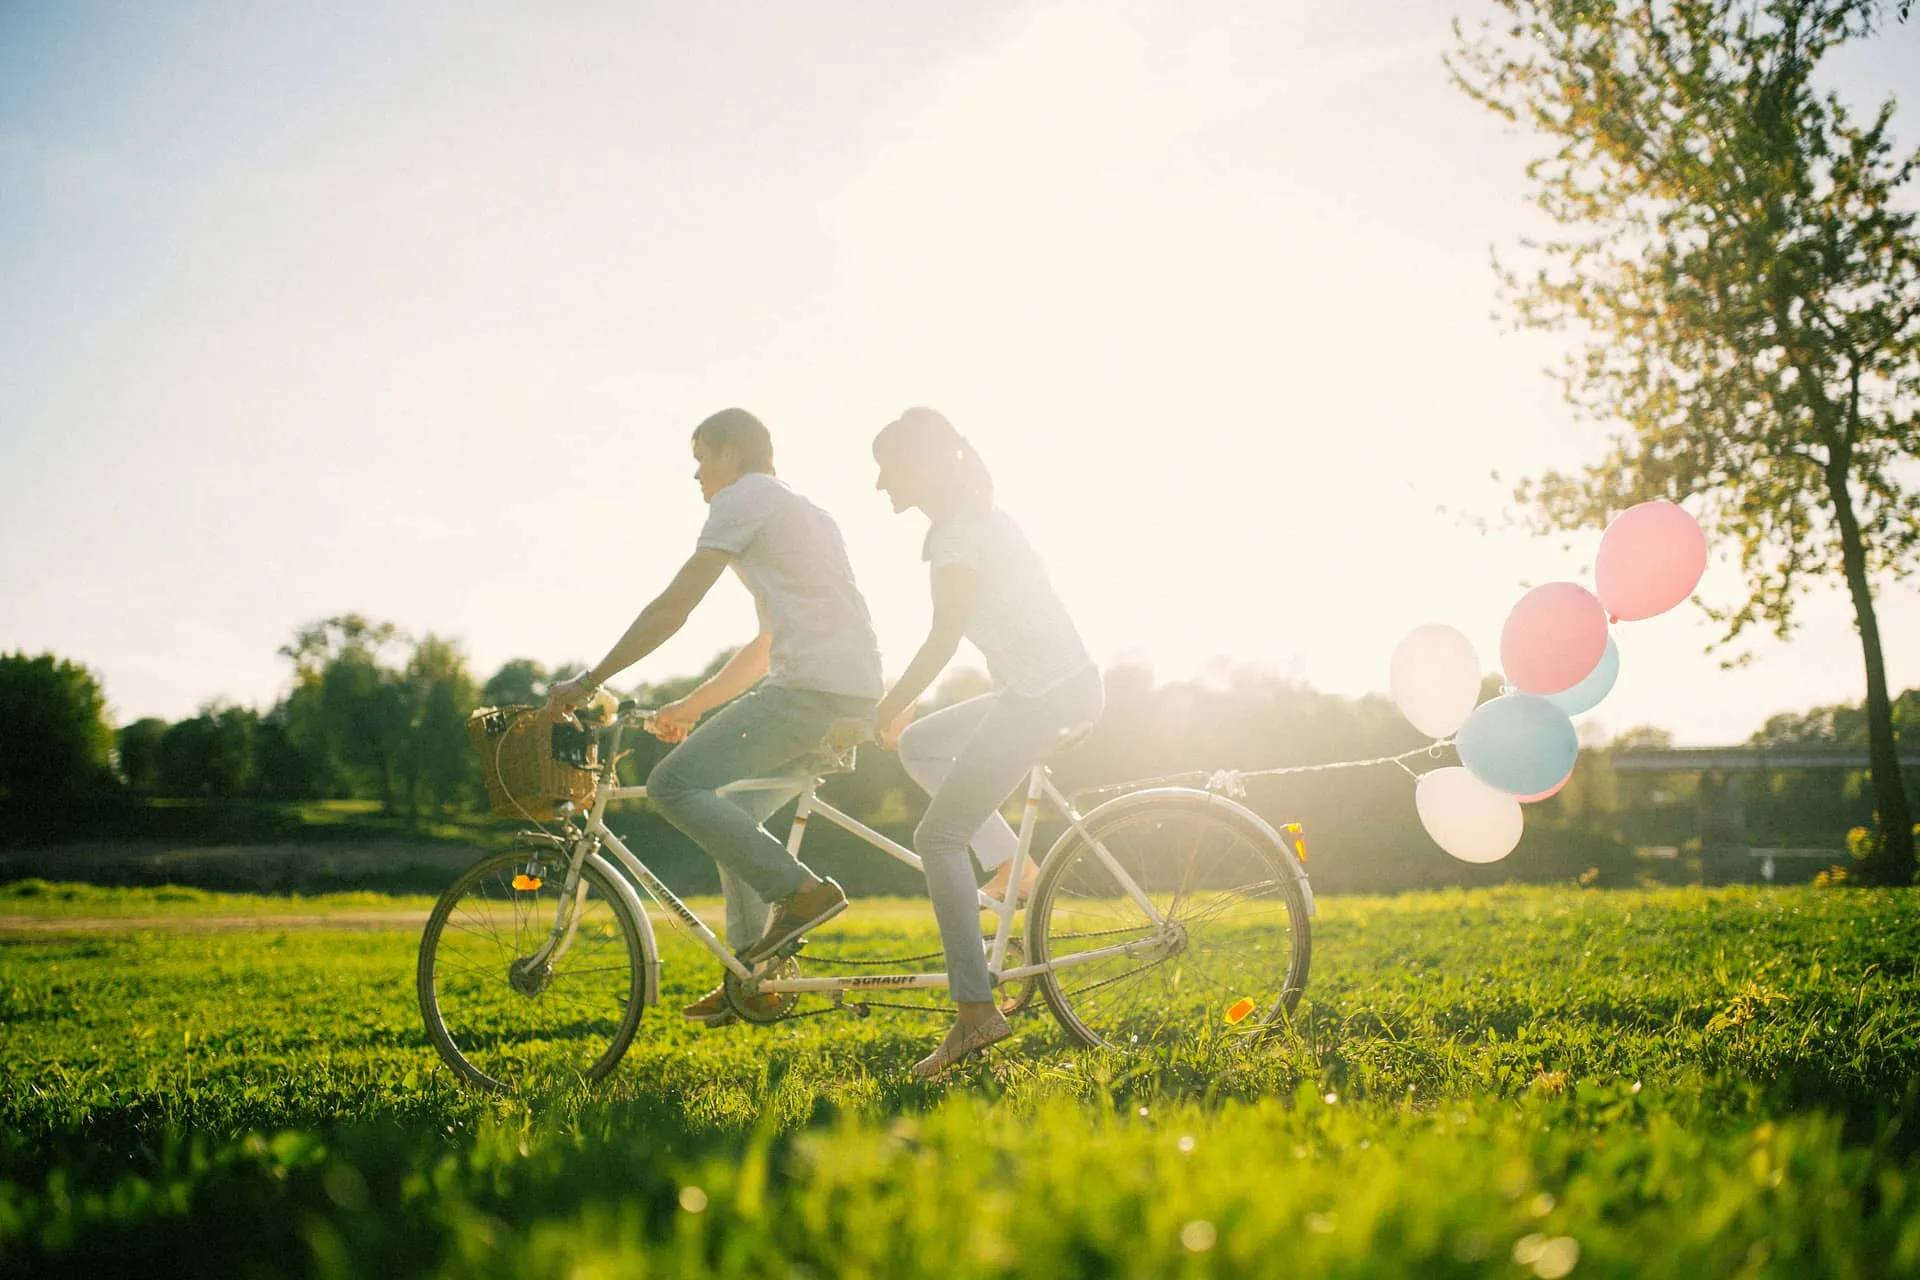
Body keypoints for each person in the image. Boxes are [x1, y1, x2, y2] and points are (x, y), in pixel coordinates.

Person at [548, 408, 884, 1026]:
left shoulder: (743, 498)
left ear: (732, 452)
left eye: (702, 457)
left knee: (673, 785)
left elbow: (675, 605)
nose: (697, 474)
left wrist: (590, 680)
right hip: (849, 692)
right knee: (734, 813)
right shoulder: (804, 512)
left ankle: (802, 893)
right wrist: (692, 706)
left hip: (809, 691)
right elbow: (764, 646)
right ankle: (753, 976)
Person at [834, 406, 1103, 1078]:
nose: (880, 483)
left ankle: (975, 1011)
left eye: (887, 467)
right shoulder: (974, 517)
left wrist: (879, 712)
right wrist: (902, 712)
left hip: (1045, 696)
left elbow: (944, 637)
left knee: (937, 837)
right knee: (922, 744)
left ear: (924, 465)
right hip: (1043, 688)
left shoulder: (957, 533)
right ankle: (1016, 866)